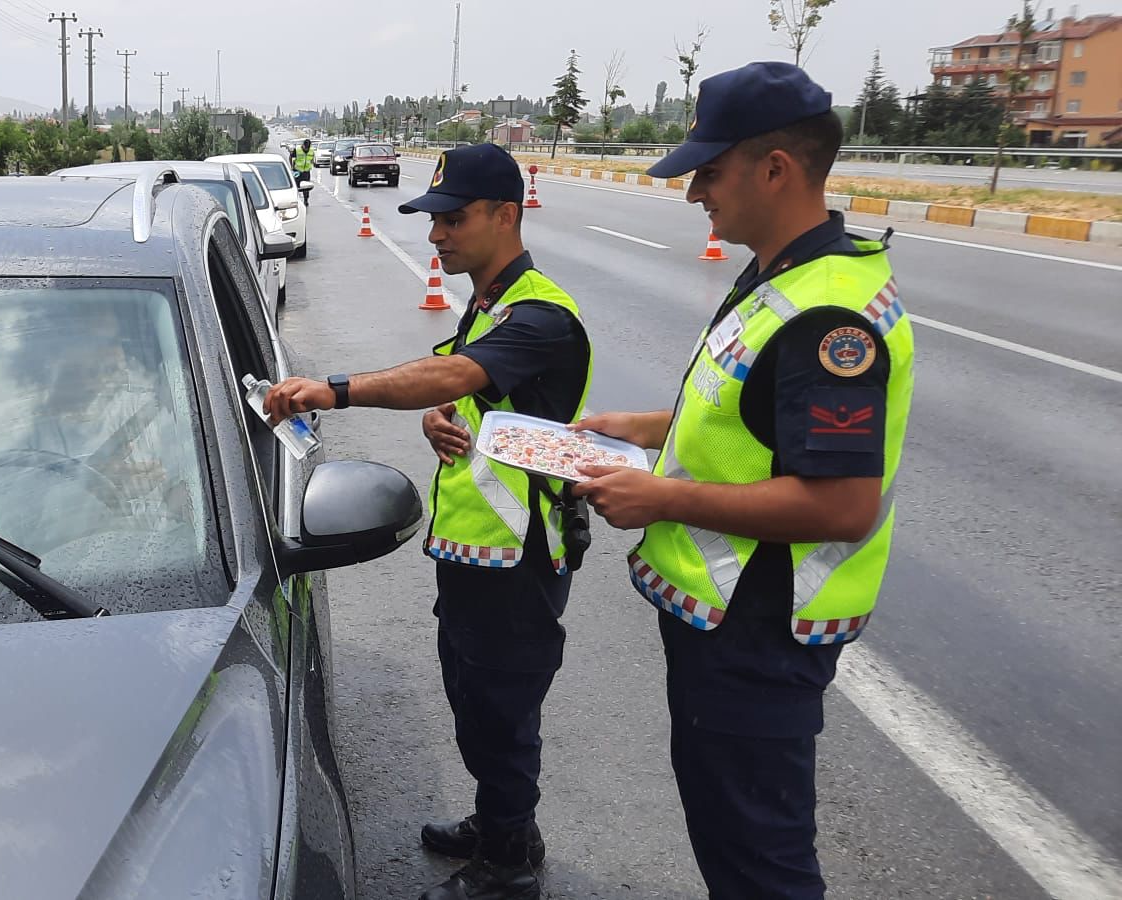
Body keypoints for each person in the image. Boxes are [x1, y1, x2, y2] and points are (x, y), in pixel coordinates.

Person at [571, 61, 915, 900]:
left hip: (758, 628)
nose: (695, 194)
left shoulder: (827, 315)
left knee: (760, 859)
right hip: (726, 624)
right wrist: (643, 430)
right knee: (731, 840)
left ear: (776, 169)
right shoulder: (782, 274)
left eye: (709, 172)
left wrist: (660, 495)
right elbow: (752, 421)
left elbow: (839, 502)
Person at [264, 143, 592, 900]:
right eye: (432, 218)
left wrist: (333, 390)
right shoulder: (489, 303)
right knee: (476, 703)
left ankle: (509, 865)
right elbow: (464, 391)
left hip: (519, 559)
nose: (436, 234)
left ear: (505, 215)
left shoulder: (540, 312)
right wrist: (437, 421)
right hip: (476, 553)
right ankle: (502, 819)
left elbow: (450, 373)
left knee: (502, 711)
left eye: (452, 218)